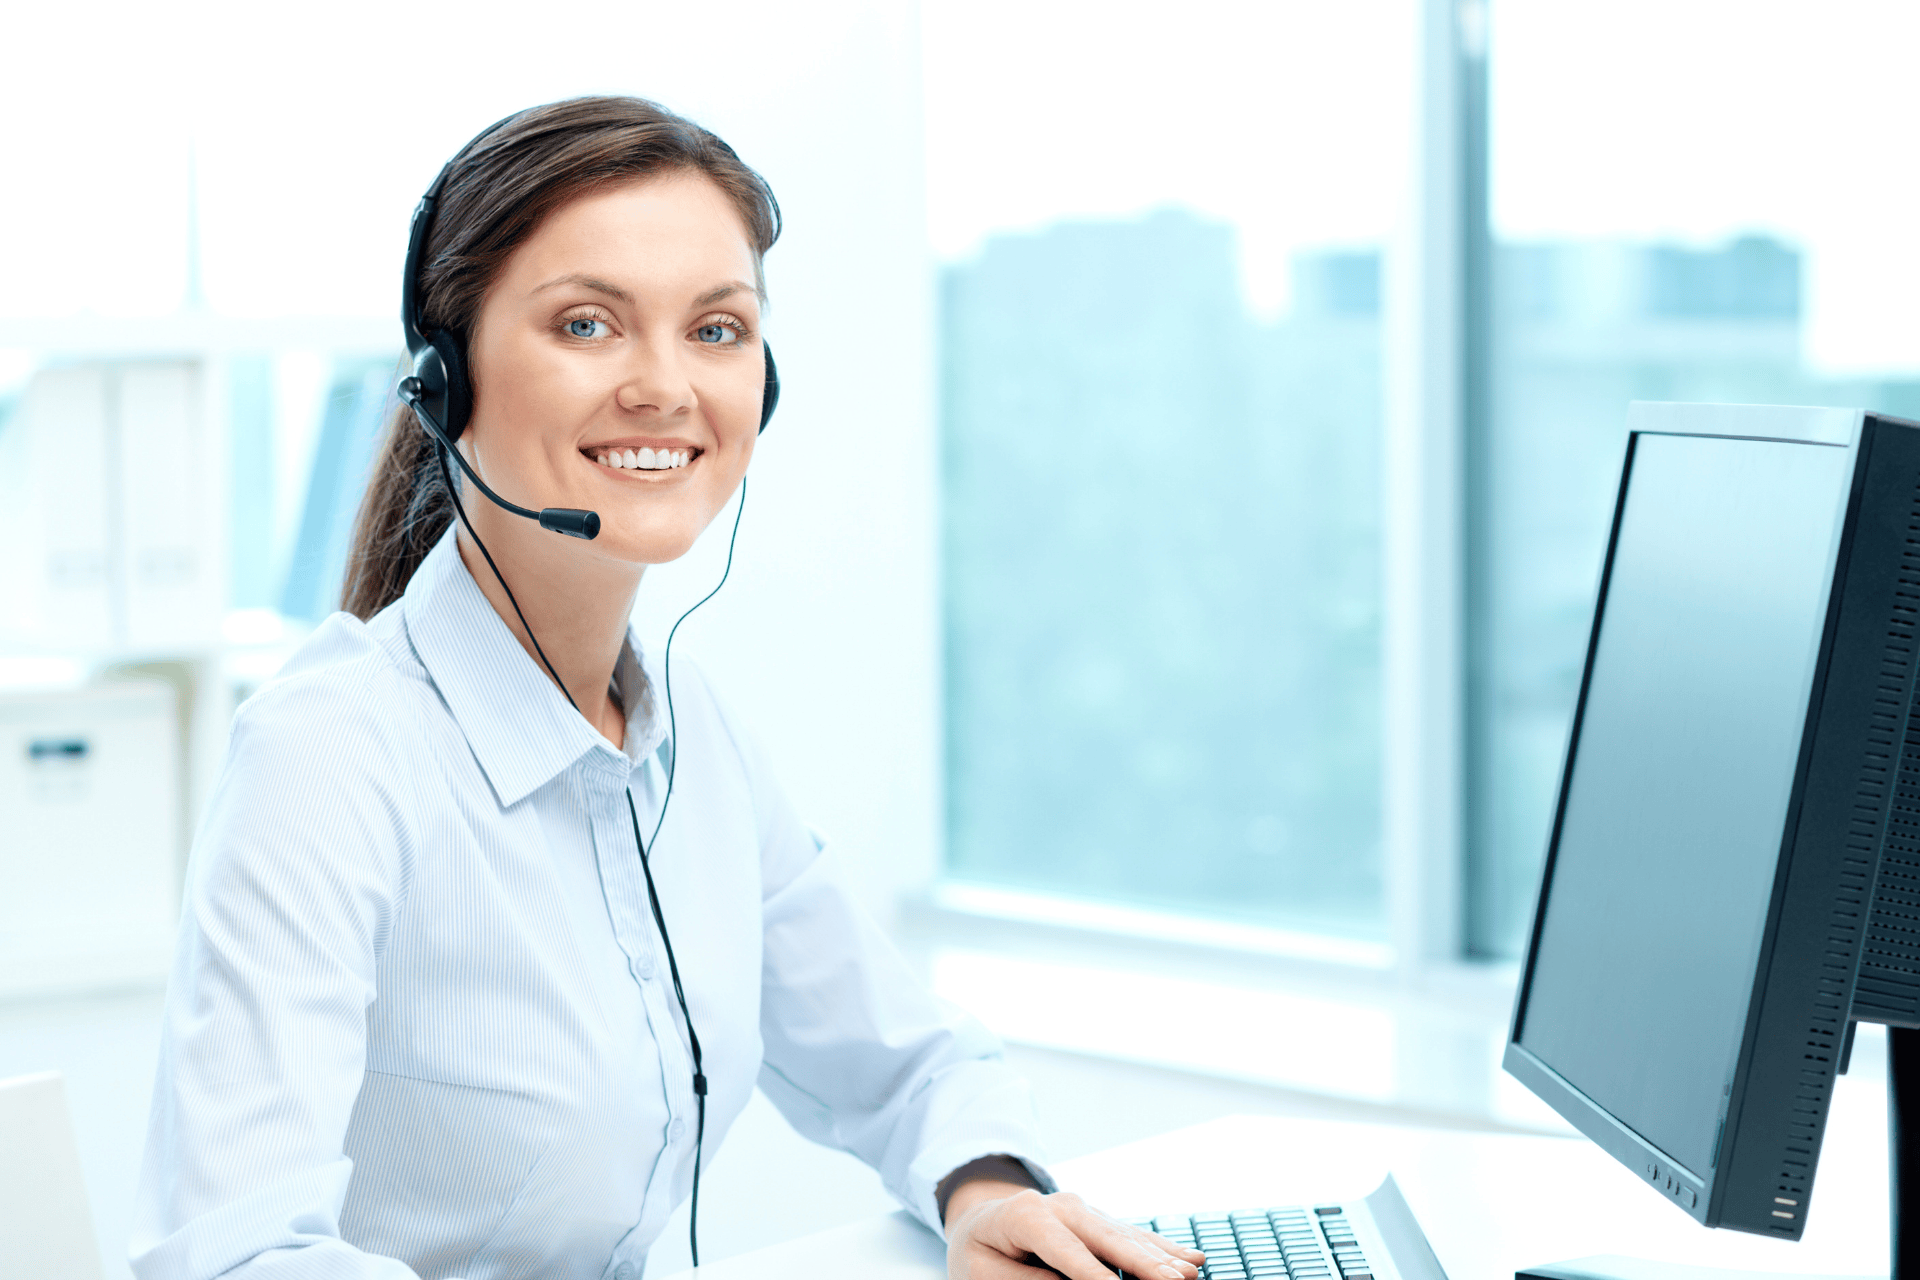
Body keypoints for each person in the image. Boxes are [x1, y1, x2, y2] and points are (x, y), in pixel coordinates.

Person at [129, 96, 1208, 1280]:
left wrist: (984, 1186)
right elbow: (233, 1253)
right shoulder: (330, 754)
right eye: (588, 324)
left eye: (716, 329)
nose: (664, 386)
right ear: (445, 381)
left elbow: (913, 1062)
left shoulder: (690, 738)